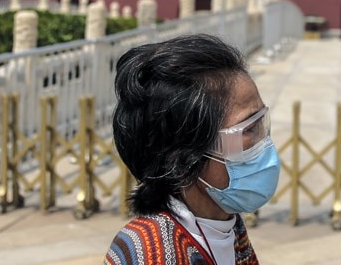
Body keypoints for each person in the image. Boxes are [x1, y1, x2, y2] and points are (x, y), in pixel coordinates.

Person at [105, 34, 279, 265]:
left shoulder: (227, 227)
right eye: (248, 130)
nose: (263, 141)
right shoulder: (149, 252)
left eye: (262, 123)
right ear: (183, 158)